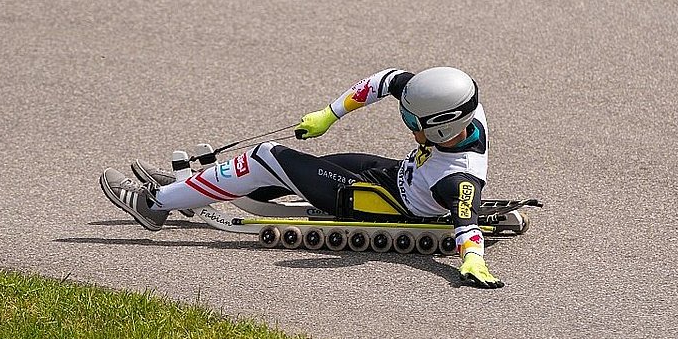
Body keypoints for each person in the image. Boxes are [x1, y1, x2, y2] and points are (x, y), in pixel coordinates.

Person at [100, 66, 505, 289]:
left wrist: (473, 261)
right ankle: (188, 193)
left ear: (440, 125)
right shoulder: (463, 105)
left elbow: (465, 221)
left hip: (379, 202)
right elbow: (384, 81)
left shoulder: (457, 179)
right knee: (297, 169)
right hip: (396, 175)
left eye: (411, 120)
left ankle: (154, 205)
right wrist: (330, 114)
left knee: (268, 157)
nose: (406, 121)